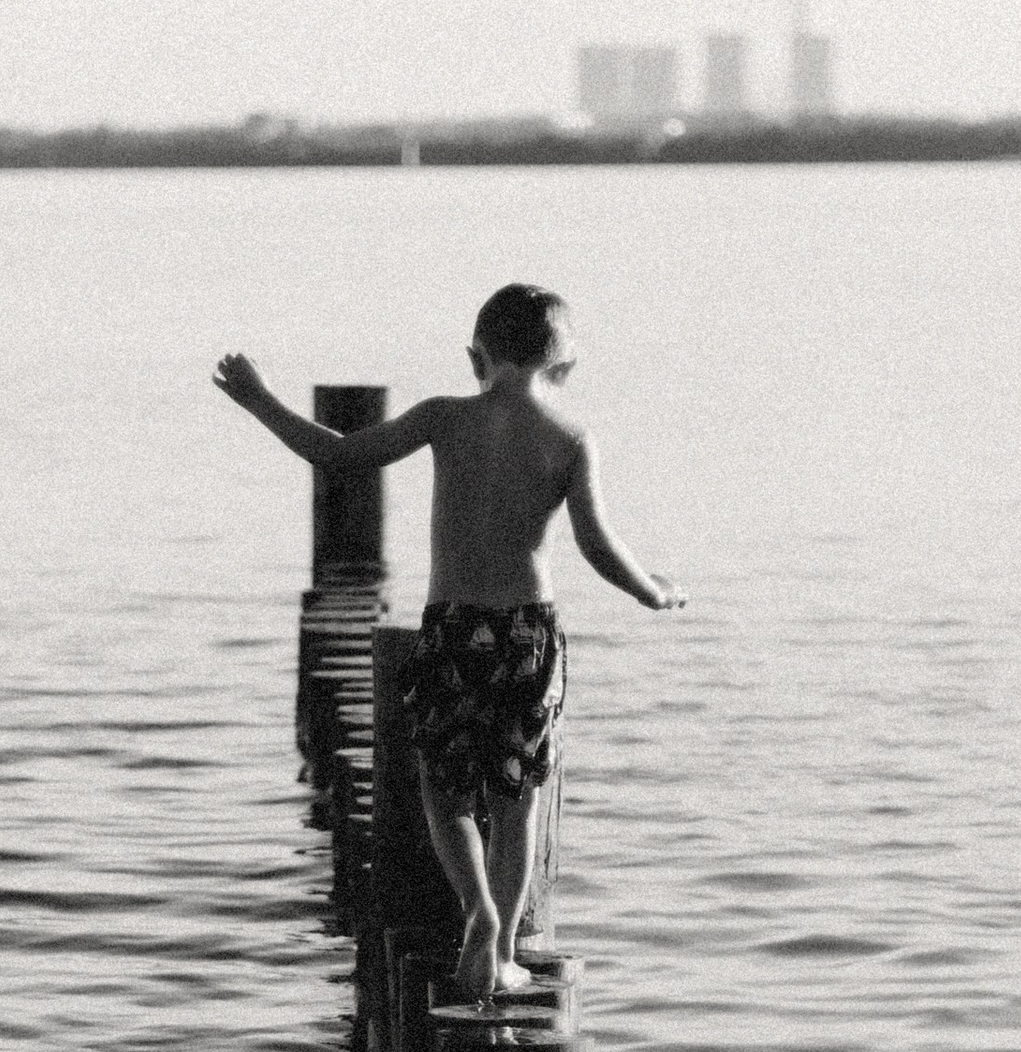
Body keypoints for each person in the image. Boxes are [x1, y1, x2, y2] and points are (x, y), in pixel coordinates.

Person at [213, 285, 684, 997]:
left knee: (445, 793)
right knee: (519, 797)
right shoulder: (570, 440)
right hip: (528, 632)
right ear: (566, 365)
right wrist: (651, 588)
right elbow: (593, 543)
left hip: (454, 627)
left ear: (476, 356)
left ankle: (480, 914)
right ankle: (503, 955)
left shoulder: (445, 419)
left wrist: (258, 399)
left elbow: (340, 455)